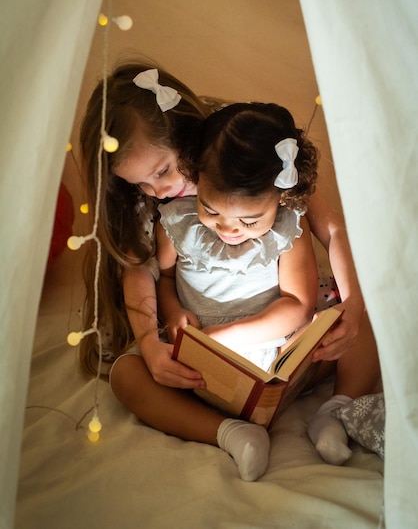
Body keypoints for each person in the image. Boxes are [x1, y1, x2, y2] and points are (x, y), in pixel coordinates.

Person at [78, 61, 380, 476]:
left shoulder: (243, 157)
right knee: (128, 375)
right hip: (204, 347)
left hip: (277, 336)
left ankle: (337, 411)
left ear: (187, 140)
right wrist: (151, 341)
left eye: (164, 171)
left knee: (363, 322)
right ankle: (229, 432)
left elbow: (330, 231)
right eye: (141, 184)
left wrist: (356, 302)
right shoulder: (165, 217)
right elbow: (146, 272)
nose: (160, 191)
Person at [156, 102, 319, 376]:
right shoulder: (177, 222)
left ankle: (329, 405)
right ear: (197, 177)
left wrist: (224, 336)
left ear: (281, 197)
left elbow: (298, 305)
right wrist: (172, 312)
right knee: (127, 374)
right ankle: (221, 422)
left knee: (330, 344)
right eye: (210, 209)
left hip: (262, 347)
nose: (227, 228)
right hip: (191, 351)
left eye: (249, 220)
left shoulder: (288, 230)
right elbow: (166, 278)